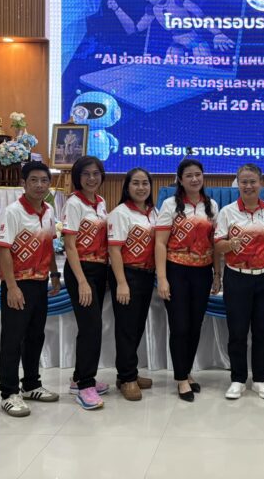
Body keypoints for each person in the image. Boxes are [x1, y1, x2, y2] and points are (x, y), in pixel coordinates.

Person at [0, 161, 61, 417]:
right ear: (23, 183)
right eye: (33, 180)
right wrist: (11, 286)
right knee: (12, 339)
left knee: (35, 336)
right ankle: (9, 393)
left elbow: (49, 245)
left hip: (40, 282)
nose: (39, 185)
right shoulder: (12, 212)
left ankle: (31, 384)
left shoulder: (49, 211)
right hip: (18, 284)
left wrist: (54, 274)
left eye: (44, 181)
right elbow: (3, 250)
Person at [214, 164, 264, 401]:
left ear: (261, 183)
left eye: (253, 181)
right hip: (237, 277)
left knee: (263, 331)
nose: (248, 186)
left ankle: (261, 380)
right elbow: (218, 245)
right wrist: (231, 244)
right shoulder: (227, 212)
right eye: (244, 181)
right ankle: (238, 379)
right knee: (237, 331)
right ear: (238, 184)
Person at [155, 159, 220, 402]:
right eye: (189, 175)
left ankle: (187, 371)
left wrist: (217, 274)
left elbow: (215, 244)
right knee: (180, 326)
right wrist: (162, 278)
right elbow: (160, 243)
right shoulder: (170, 204)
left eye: (198, 174)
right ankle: (181, 378)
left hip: (202, 273)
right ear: (180, 180)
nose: (194, 179)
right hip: (176, 271)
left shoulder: (211, 205)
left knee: (195, 326)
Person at [62, 155, 109, 410]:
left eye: (96, 174)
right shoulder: (74, 203)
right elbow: (70, 246)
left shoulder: (100, 202)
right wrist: (81, 281)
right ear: (77, 177)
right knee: (92, 328)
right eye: (86, 174)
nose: (91, 178)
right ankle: (86, 386)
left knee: (89, 326)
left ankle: (78, 377)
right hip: (81, 270)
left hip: (99, 270)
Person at [107, 167, 157, 401]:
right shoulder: (120, 213)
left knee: (137, 326)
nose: (141, 187)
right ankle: (127, 379)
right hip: (127, 275)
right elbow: (114, 250)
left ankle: (129, 373)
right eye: (135, 183)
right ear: (127, 187)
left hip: (147, 275)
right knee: (126, 328)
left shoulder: (154, 212)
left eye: (145, 183)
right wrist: (121, 282)